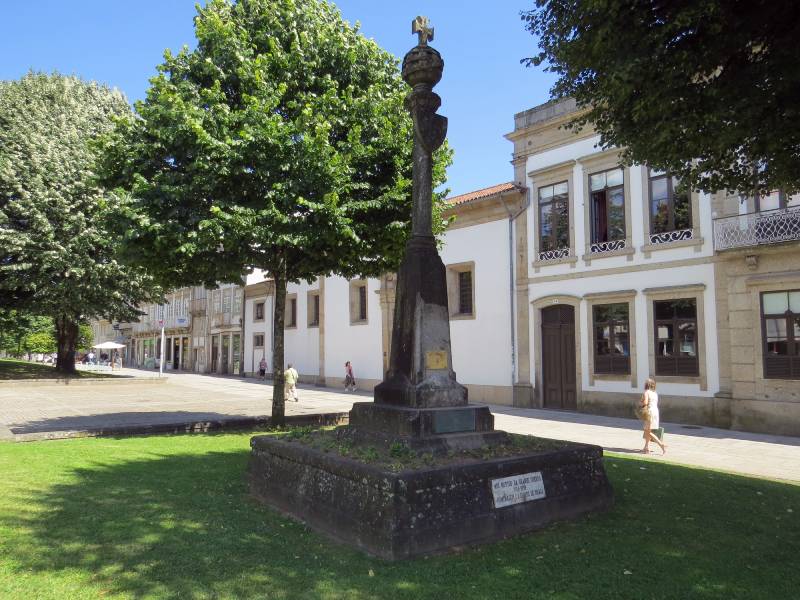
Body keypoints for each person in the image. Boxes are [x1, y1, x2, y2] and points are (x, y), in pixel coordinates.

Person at [639, 377, 666, 454]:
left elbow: (645, 403)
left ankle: (661, 445)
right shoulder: (655, 393)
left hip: (649, 412)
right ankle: (646, 448)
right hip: (655, 412)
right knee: (649, 430)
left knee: (647, 431)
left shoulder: (646, 392)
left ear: (646, 385)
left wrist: (640, 403)